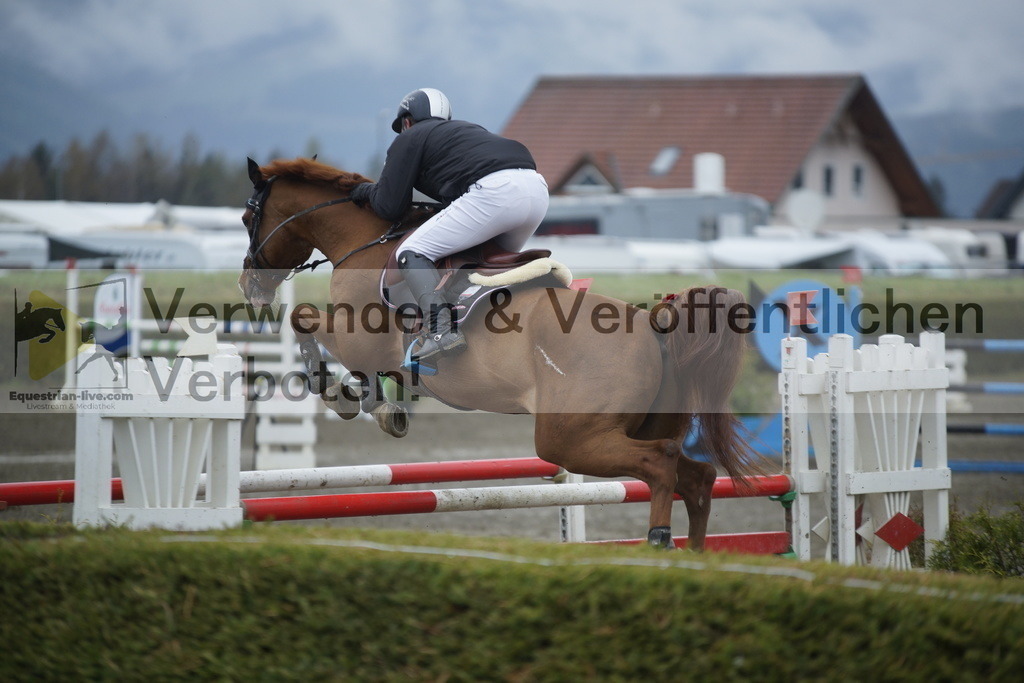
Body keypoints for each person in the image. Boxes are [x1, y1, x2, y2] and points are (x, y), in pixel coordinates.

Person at [350, 88, 549, 362]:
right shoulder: (466, 132)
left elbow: (388, 206)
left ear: (407, 122)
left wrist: (362, 191)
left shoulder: (410, 137)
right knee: (485, 262)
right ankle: (483, 321)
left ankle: (440, 332)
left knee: (412, 251)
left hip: (495, 192)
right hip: (536, 189)